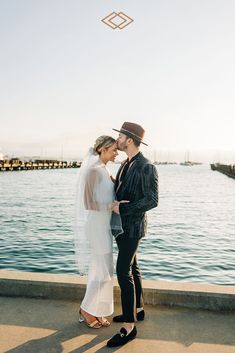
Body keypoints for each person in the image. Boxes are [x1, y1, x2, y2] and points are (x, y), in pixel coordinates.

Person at [107, 122, 158, 347]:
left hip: (133, 227)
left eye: (120, 135)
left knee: (122, 271)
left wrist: (123, 208)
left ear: (129, 139)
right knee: (133, 267)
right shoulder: (126, 163)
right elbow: (122, 188)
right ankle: (138, 309)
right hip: (122, 227)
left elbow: (152, 200)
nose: (117, 138)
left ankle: (129, 327)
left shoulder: (146, 166)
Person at [74, 135, 122, 329]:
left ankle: (98, 310)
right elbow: (88, 203)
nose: (116, 153)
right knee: (101, 271)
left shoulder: (105, 169)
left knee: (106, 271)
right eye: (113, 150)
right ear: (103, 150)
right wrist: (111, 206)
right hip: (96, 226)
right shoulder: (93, 171)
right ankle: (86, 310)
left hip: (104, 226)